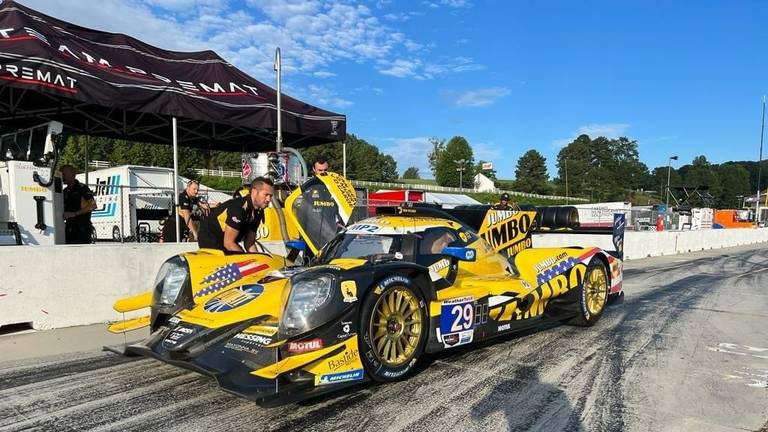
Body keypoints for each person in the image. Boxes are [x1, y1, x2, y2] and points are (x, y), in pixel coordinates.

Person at [197, 177, 274, 253]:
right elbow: (229, 243)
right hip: (210, 238)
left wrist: (258, 260)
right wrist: (246, 259)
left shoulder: (258, 212)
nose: (269, 199)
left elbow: (249, 243)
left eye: (271, 196)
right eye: (266, 195)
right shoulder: (239, 208)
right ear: (254, 191)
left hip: (226, 242)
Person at [60, 164, 96, 244]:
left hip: (82, 230)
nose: (62, 177)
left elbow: (93, 205)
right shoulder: (64, 191)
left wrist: (75, 213)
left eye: (64, 174)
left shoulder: (82, 188)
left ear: (73, 174)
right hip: (69, 229)